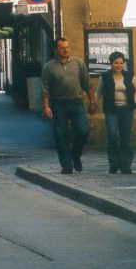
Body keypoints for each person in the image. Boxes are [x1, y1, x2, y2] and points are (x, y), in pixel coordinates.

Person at [41, 37, 97, 174]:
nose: (65, 50)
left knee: (82, 131)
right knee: (61, 134)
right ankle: (66, 165)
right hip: (59, 103)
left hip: (77, 101)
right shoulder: (49, 67)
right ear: (56, 50)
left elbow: (87, 84)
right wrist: (46, 107)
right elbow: (45, 89)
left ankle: (75, 155)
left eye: (67, 47)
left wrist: (92, 102)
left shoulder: (78, 63)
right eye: (62, 47)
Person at [96, 51, 136, 174]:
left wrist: (133, 100)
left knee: (125, 137)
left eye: (121, 63)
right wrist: (93, 103)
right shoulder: (105, 76)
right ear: (111, 64)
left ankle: (125, 165)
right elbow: (98, 92)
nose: (119, 66)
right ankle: (113, 163)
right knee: (112, 135)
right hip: (111, 110)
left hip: (126, 110)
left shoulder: (129, 76)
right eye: (116, 63)